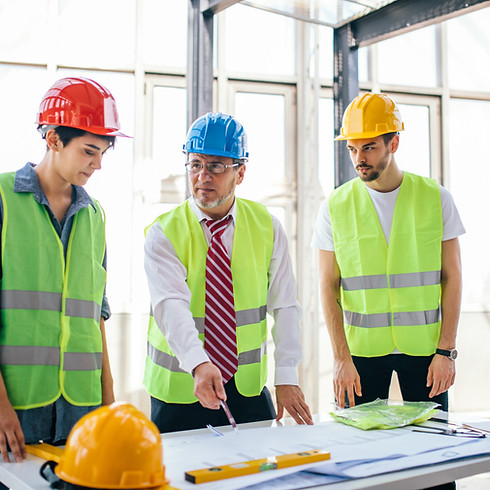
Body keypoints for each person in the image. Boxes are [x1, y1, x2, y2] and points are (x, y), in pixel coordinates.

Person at [144, 112, 313, 433]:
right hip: (180, 390)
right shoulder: (163, 232)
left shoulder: (267, 226)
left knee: (259, 477)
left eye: (216, 166)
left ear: (241, 172)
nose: (202, 176)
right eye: (195, 164)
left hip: (246, 388)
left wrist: (287, 376)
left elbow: (286, 305)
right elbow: (171, 307)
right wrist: (198, 363)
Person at [0, 77, 128, 464]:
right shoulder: (4, 201)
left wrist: (108, 403)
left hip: (82, 410)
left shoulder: (95, 215)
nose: (98, 164)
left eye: (104, 152)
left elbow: (96, 316)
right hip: (17, 409)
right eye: (90, 151)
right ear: (53, 139)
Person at [312, 93, 465, 413]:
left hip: (427, 355)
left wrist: (446, 352)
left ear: (393, 144)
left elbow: (452, 276)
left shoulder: (436, 198)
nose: (359, 158)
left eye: (368, 147)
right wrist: (341, 359)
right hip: (360, 357)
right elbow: (327, 287)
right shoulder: (335, 207)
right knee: (357, 452)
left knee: (431, 450)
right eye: (352, 148)